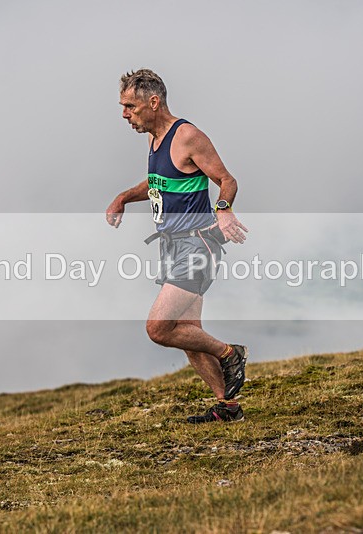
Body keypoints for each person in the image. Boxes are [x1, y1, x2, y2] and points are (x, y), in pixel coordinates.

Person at [105, 68, 250, 423]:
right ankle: (227, 407)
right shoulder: (155, 140)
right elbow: (158, 182)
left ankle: (231, 353)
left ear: (153, 102)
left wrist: (224, 210)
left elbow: (226, 180)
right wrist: (124, 196)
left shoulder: (187, 136)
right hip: (171, 247)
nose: (125, 114)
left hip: (198, 246)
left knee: (158, 328)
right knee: (187, 335)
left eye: (129, 106)